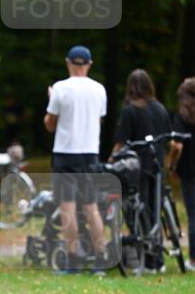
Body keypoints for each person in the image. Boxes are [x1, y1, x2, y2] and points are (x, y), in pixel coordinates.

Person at [44, 45, 107, 273]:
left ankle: (73, 258)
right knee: (91, 207)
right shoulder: (99, 89)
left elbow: (50, 125)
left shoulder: (60, 88)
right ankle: (100, 257)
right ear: (89, 64)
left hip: (65, 154)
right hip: (90, 153)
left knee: (67, 208)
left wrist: (51, 101)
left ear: (68, 63)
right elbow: (99, 120)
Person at [112, 69, 173, 272]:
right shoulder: (161, 109)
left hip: (136, 169)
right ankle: (158, 259)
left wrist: (111, 162)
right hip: (156, 166)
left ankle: (144, 257)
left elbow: (121, 142)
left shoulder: (130, 110)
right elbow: (169, 141)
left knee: (137, 212)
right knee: (155, 211)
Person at [169, 77, 195, 271]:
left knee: (193, 215)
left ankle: (193, 260)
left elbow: (177, 144)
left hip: (190, 169)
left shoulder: (182, 117)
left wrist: (172, 164)